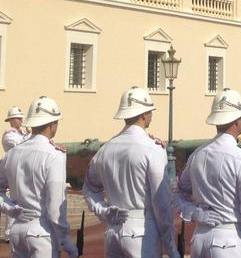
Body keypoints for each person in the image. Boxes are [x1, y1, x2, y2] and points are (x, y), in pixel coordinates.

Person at [82, 86, 178, 258]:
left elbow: (89, 188)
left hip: (113, 230)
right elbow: (161, 200)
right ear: (144, 114)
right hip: (142, 231)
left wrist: (104, 211)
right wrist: (170, 244)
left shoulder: (105, 149)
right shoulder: (152, 148)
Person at [174, 88, 241, 257]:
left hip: (200, 238)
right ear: (237, 120)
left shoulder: (197, 155)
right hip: (229, 240)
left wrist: (195, 213)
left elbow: (178, 192)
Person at [0, 96, 79, 257]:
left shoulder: (11, 154)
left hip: (18, 230)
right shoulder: (54, 154)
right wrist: (65, 240)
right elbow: (55, 207)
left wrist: (11, 209)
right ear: (52, 124)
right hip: (42, 231)